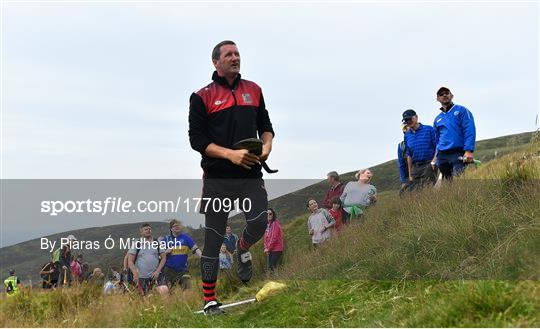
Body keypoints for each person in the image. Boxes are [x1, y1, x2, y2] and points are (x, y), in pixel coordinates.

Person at [188, 40, 275, 315]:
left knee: (260, 222)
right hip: (217, 179)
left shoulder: (254, 90)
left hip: (250, 174)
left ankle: (243, 246)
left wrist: (267, 147)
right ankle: (210, 301)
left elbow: (266, 126)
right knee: (213, 240)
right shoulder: (201, 96)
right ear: (216, 62)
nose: (235, 58)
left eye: (237, 53)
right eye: (229, 55)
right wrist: (229, 155)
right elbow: (197, 140)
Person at [433, 87, 476, 180]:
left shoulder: (462, 110)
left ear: (451, 95)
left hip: (458, 153)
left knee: (459, 181)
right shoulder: (437, 119)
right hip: (442, 156)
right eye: (441, 94)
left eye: (447, 93)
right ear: (437, 99)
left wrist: (469, 150)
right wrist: (436, 157)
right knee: (447, 184)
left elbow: (469, 130)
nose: (444, 95)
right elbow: (437, 139)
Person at [127, 223, 169, 296]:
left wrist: (158, 271)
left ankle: (167, 307)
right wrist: (135, 273)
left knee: (164, 291)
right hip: (141, 277)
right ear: (141, 232)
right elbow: (130, 261)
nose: (148, 230)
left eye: (149, 229)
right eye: (146, 229)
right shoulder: (137, 243)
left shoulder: (156, 242)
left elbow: (164, 257)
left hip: (156, 275)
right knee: (146, 299)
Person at [160, 219, 202, 290]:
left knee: (187, 289)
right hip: (169, 270)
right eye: (175, 226)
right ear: (171, 229)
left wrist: (202, 257)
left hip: (182, 270)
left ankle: (187, 301)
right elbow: (159, 256)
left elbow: (196, 249)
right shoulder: (165, 239)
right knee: (170, 293)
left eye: (178, 225)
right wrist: (166, 252)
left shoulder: (186, 238)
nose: (177, 227)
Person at [402, 109, 438, 190]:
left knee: (428, 189)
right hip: (415, 167)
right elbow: (409, 155)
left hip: (428, 164)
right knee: (415, 192)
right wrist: (410, 174)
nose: (408, 121)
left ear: (416, 117)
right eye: (406, 120)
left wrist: (433, 162)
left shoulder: (429, 129)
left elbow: (437, 147)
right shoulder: (407, 135)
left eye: (410, 118)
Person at [263, 208, 284, 274]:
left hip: (277, 249)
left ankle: (277, 279)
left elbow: (273, 238)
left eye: (270, 213)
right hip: (271, 249)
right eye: (267, 214)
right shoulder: (268, 225)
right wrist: (266, 247)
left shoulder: (275, 224)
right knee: (270, 267)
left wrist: (268, 248)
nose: (268, 215)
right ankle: (274, 279)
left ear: (273, 215)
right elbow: (266, 238)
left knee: (272, 266)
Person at [397, 124, 410, 196]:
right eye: (405, 131)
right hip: (407, 174)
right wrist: (403, 180)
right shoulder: (401, 145)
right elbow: (401, 164)